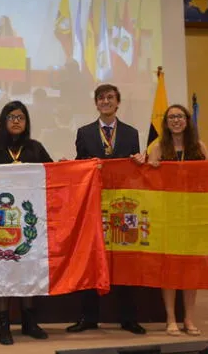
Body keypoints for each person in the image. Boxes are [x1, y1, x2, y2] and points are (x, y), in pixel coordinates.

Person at [68, 84, 146, 335]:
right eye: (101, 98)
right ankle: (88, 317)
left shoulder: (132, 133)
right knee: (92, 259)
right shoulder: (84, 132)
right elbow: (80, 166)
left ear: (118, 102)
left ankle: (129, 318)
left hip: (124, 205)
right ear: (96, 103)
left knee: (125, 259)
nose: (105, 102)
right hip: (95, 205)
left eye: (110, 98)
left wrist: (139, 162)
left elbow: (135, 168)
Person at [0, 100, 51, 345]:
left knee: (28, 268)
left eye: (21, 117)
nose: (17, 121)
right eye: (11, 117)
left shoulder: (36, 148)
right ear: (3, 122)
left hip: (29, 221)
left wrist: (72, 167)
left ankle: (29, 322)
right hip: (0, 223)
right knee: (3, 270)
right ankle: (3, 324)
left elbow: (54, 177)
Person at [146, 104, 208, 337]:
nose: (176, 120)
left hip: (192, 215)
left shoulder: (199, 147)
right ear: (166, 122)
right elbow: (149, 182)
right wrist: (150, 168)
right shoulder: (158, 147)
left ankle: (189, 319)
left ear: (187, 120)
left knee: (191, 270)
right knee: (170, 269)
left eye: (180, 116)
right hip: (168, 215)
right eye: (171, 117)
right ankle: (171, 319)